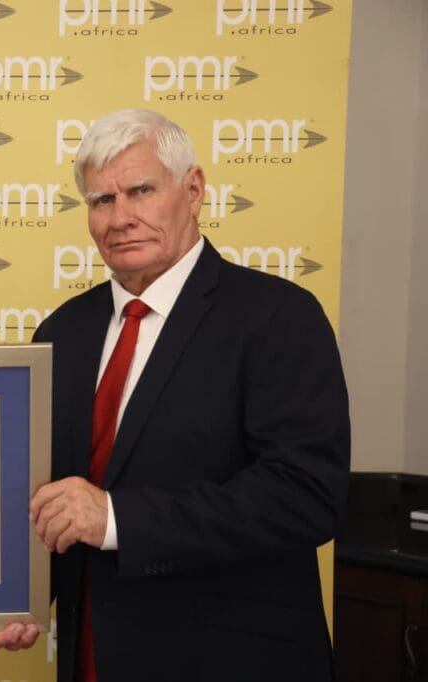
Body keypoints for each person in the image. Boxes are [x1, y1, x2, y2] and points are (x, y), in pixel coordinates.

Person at [22, 109, 350, 681]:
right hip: (94, 659)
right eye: (101, 200)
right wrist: (15, 598)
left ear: (193, 190)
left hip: (230, 662)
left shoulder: (278, 316)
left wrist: (117, 518)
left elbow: (305, 496)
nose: (120, 218)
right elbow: (52, 499)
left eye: (141, 191)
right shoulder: (62, 332)